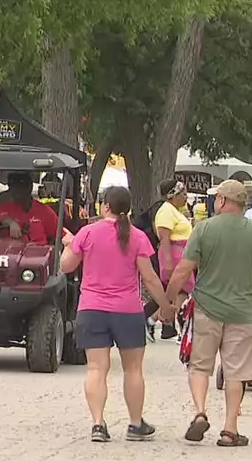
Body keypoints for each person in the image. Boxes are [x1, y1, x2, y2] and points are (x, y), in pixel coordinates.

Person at [60, 186, 172, 443]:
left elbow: (66, 266)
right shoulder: (137, 236)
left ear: (104, 206)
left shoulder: (87, 233)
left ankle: (98, 423)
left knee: (96, 368)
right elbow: (150, 277)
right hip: (127, 310)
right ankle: (135, 423)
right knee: (133, 369)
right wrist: (164, 304)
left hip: (92, 308)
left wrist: (69, 243)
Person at [166, 180, 252, 447]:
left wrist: (168, 301)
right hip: (241, 310)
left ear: (224, 201)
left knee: (199, 365)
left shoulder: (203, 229)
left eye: (216, 198)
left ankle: (200, 411)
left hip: (206, 307)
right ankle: (230, 428)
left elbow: (182, 271)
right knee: (236, 371)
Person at [151, 179, 194, 340]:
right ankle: (180, 328)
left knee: (181, 292)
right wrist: (168, 263)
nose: (186, 197)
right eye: (183, 194)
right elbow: (164, 239)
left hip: (182, 253)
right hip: (174, 254)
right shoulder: (166, 211)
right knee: (182, 290)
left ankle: (157, 319)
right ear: (173, 195)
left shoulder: (175, 211)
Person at [0, 171, 60, 245]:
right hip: (11, 252)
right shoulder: (5, 207)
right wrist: (11, 223)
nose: (17, 190)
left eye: (21, 186)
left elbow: (59, 234)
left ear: (29, 187)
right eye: (13, 186)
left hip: (38, 253)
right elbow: (2, 218)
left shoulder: (45, 212)